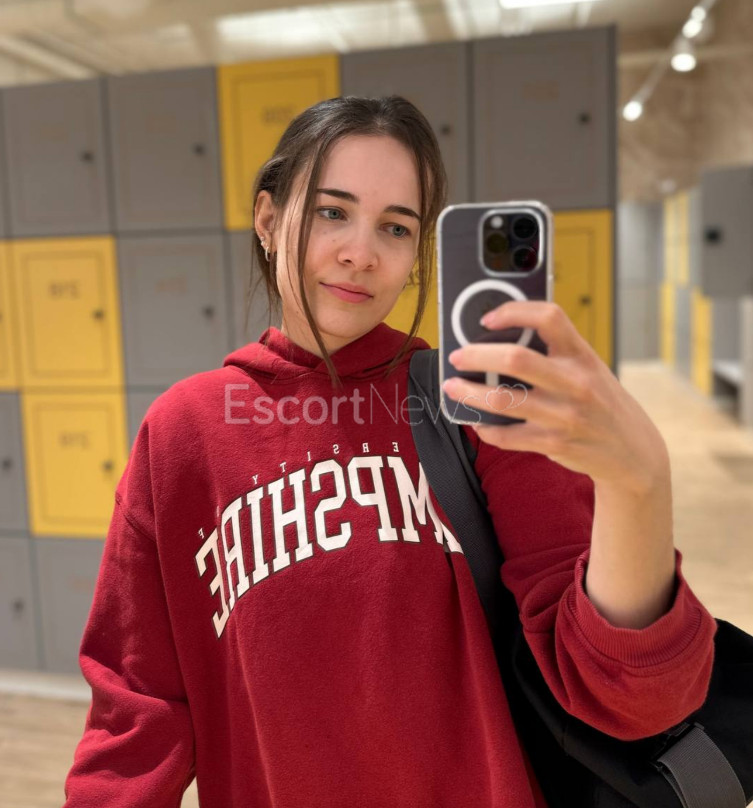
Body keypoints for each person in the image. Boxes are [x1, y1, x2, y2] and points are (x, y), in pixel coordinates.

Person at [63, 95, 717, 808]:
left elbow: (631, 697)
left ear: (415, 256)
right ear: (268, 219)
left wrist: (638, 482)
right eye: (331, 212)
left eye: (396, 227)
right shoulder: (183, 432)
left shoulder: (477, 407)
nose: (361, 253)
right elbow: (135, 716)